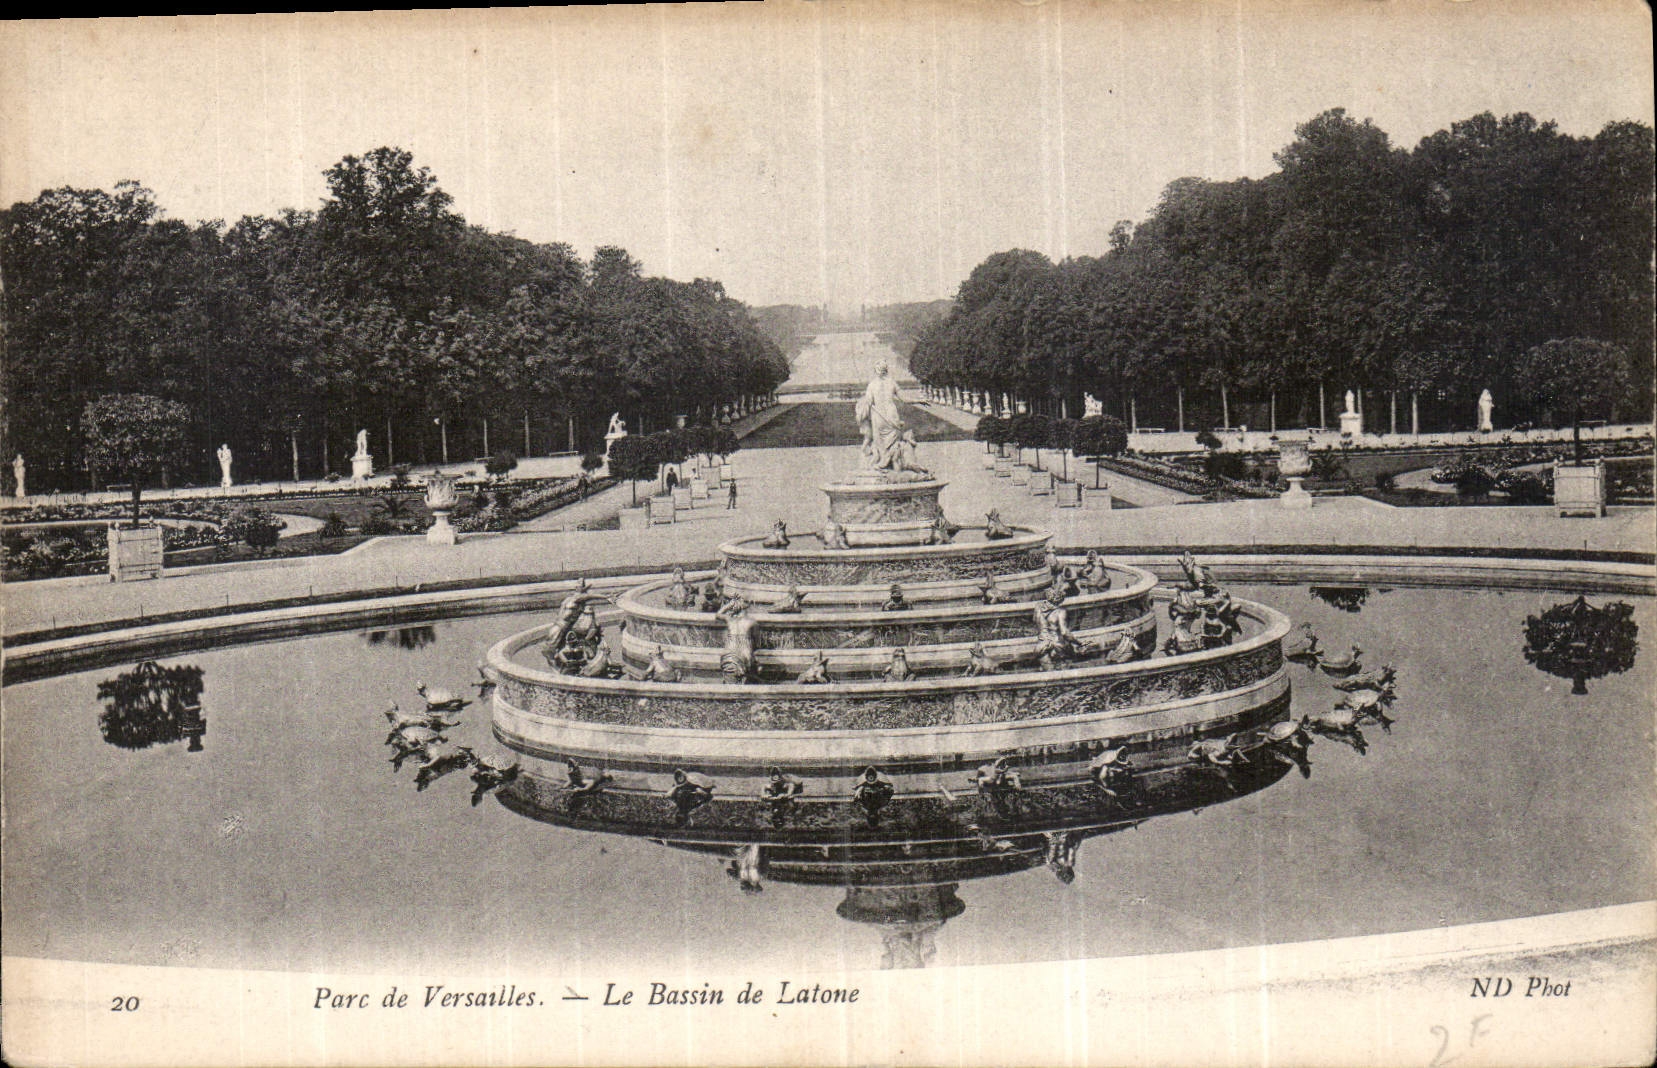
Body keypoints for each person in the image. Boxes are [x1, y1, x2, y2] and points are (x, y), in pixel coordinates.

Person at [855, 361, 905, 470]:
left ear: (875, 371)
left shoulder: (872, 385)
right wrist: (918, 400)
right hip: (892, 416)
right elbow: (904, 398)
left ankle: (883, 463)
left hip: (879, 416)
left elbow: (868, 403)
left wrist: (861, 415)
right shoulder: (892, 383)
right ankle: (891, 466)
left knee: (879, 442)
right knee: (892, 443)